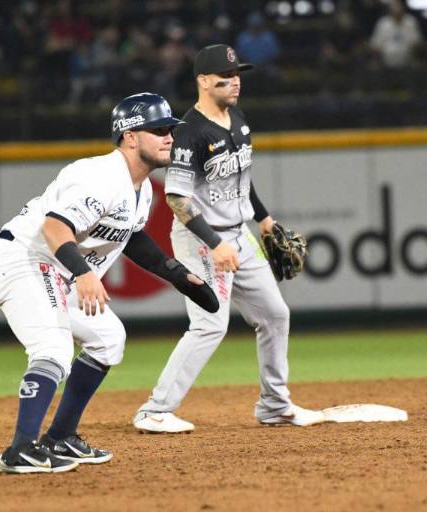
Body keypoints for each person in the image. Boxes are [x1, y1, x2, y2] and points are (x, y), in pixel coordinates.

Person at [0, 92, 218, 473]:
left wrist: (176, 274)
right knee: (52, 347)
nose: (169, 137)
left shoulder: (140, 189)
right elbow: (55, 227)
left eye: (170, 130)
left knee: (108, 339)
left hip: (56, 269)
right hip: (23, 260)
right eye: (159, 130)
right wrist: (83, 272)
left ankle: (60, 437)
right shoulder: (100, 176)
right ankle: (20, 449)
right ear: (130, 137)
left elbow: (131, 237)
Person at [133, 44, 326, 434]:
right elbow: (177, 199)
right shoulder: (188, 132)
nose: (235, 81)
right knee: (209, 325)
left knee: (275, 315)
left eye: (237, 74)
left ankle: (274, 405)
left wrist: (264, 219)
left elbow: (241, 179)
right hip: (201, 238)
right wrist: (215, 244)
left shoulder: (236, 117)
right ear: (204, 81)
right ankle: (155, 410)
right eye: (226, 76)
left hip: (239, 234)